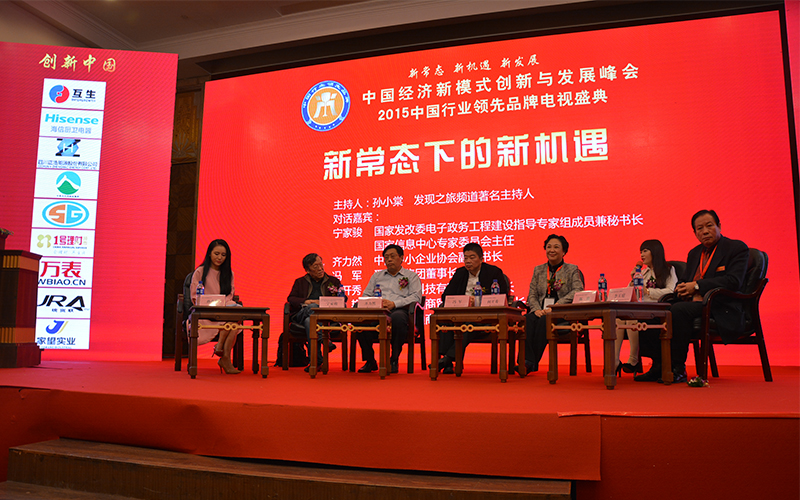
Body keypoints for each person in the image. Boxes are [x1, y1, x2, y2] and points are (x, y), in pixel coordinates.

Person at [635, 210, 749, 383]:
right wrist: (681, 287)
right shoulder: (695, 253)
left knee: (679, 311)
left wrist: (696, 286)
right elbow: (685, 279)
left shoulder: (735, 248)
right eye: (699, 228)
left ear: (719, 226)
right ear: (695, 233)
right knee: (653, 312)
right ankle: (658, 364)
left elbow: (734, 281)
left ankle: (677, 368)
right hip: (692, 302)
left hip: (719, 305)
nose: (705, 231)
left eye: (709, 226)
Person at [437, 243, 509, 374]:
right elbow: (445, 296)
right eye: (465, 258)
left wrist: (478, 301)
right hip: (462, 315)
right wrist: (464, 301)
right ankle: (448, 363)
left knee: (468, 325)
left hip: (486, 318)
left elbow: (503, 296)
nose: (468, 261)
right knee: (445, 321)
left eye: (472, 257)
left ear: (481, 259)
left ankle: (448, 359)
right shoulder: (460, 273)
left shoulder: (493, 272)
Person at [614, 239, 678, 376]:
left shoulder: (668, 269)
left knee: (632, 319)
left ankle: (633, 359)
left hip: (657, 309)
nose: (641, 255)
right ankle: (614, 361)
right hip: (640, 308)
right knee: (618, 319)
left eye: (645, 251)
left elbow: (671, 291)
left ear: (655, 251)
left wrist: (648, 291)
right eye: (640, 252)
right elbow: (629, 294)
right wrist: (632, 281)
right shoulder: (643, 273)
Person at [523, 234, 584, 374]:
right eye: (549, 247)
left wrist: (555, 306)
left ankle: (528, 363)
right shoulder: (538, 270)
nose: (552, 250)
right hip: (541, 311)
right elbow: (532, 294)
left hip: (561, 312)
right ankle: (528, 361)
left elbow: (578, 290)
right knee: (527, 319)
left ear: (564, 251)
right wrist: (536, 309)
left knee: (545, 321)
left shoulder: (572, 269)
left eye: (556, 247)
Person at [357, 244, 422, 374]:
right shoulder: (377, 276)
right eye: (386, 257)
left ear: (401, 258)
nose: (389, 260)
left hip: (399, 310)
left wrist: (394, 303)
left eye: (392, 256)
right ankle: (370, 360)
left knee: (397, 318)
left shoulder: (411, 276)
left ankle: (394, 359)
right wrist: (377, 303)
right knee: (359, 321)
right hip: (377, 311)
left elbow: (416, 297)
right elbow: (366, 295)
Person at [189, 239, 241, 374]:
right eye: (216, 254)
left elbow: (229, 296)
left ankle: (222, 351)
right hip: (206, 314)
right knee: (232, 325)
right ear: (209, 254)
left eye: (223, 255)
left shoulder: (229, 273)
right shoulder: (200, 272)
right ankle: (224, 357)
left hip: (223, 310)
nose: (219, 258)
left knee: (235, 318)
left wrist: (224, 305)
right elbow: (195, 296)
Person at [287, 253, 345, 372]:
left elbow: (343, 299)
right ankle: (324, 339)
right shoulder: (300, 282)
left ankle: (315, 361)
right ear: (308, 270)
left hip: (326, 317)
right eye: (315, 266)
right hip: (303, 314)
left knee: (310, 321)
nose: (320, 268)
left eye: (321, 264)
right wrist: (307, 301)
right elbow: (291, 298)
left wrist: (327, 302)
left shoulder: (333, 281)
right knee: (312, 307)